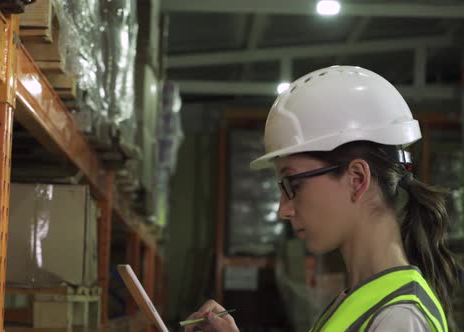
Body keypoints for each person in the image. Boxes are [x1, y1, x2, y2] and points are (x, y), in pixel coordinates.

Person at [185, 66, 461, 332]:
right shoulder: (361, 300)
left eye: (293, 184)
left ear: (357, 179)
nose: (284, 209)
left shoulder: (399, 319)